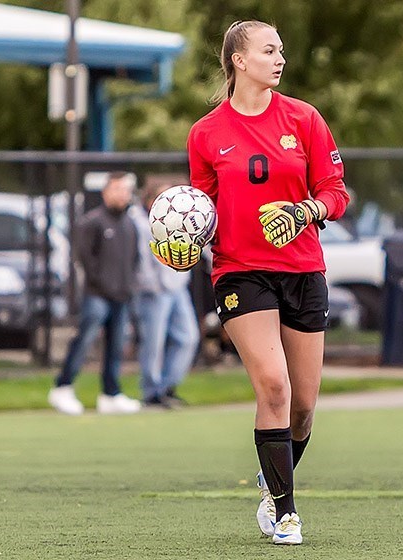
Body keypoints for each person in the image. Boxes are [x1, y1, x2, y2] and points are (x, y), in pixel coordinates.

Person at [153, 20, 350, 545]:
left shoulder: (304, 119)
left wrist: (307, 209)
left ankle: (272, 479)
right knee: (274, 385)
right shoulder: (206, 133)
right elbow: (202, 210)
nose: (279, 58)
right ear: (239, 60)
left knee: (304, 407)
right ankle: (285, 512)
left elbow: (335, 191)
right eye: (269, 50)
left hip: (304, 270)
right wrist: (183, 247)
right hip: (241, 271)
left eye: (281, 50)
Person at [48, 172, 142, 416]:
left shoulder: (130, 224)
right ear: (106, 192)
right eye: (117, 189)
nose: (122, 194)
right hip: (97, 295)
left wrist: (127, 286)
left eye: (125, 189)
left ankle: (110, 393)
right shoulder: (92, 222)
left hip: (121, 296)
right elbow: (86, 260)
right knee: (85, 338)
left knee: (116, 344)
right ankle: (63, 386)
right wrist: (103, 285)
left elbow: (134, 259)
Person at [129, 181, 201, 409]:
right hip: (153, 291)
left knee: (188, 336)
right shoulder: (139, 221)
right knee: (154, 343)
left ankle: (168, 387)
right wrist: (152, 284)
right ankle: (151, 392)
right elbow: (141, 259)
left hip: (177, 286)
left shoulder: (178, 219)